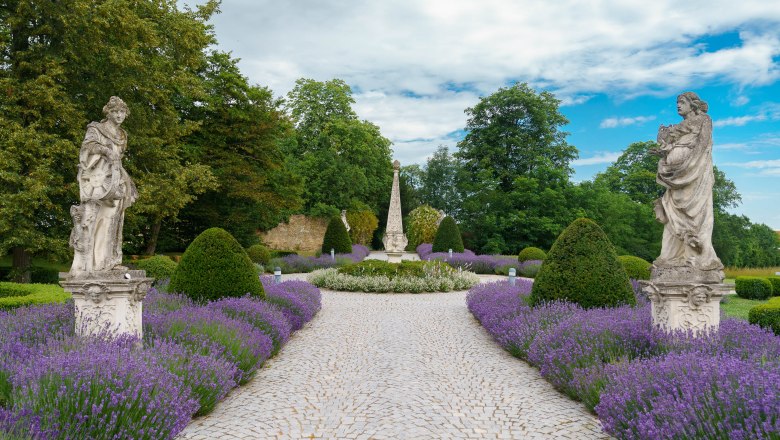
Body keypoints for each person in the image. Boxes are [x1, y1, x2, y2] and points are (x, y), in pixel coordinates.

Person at [652, 92, 722, 272]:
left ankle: (695, 257)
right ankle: (670, 257)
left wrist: (685, 169)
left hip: (694, 176)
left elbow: (703, 147)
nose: (678, 105)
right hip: (675, 178)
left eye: (682, 102)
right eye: (677, 102)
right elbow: (671, 147)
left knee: (694, 217)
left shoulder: (704, 120)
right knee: (671, 212)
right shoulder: (678, 127)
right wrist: (665, 152)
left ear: (693, 105)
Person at [71, 96, 138, 273]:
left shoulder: (123, 135)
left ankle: (112, 261)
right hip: (98, 182)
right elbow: (88, 147)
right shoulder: (96, 129)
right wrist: (106, 151)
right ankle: (97, 263)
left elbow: (119, 159)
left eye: (122, 112)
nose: (119, 115)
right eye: (115, 111)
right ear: (108, 112)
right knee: (100, 219)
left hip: (115, 179)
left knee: (116, 218)